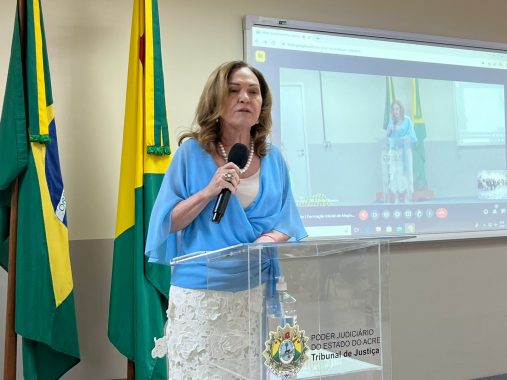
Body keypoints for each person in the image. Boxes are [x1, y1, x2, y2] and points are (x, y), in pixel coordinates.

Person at [145, 61, 307, 379]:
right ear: (216, 102)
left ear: (262, 106)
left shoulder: (274, 159)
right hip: (201, 293)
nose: (244, 97)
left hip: (253, 291)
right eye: (234, 91)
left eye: (253, 91)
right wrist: (208, 192)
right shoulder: (190, 155)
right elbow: (168, 222)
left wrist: (260, 244)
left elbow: (286, 222)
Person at [385, 100, 417, 203]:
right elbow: (388, 136)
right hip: (394, 152)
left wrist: (405, 139)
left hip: (405, 150)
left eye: (397, 109)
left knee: (406, 174)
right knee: (394, 174)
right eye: (394, 109)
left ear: (401, 109)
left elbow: (413, 136)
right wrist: (390, 130)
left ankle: (407, 195)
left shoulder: (407, 120)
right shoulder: (391, 121)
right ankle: (397, 197)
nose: (396, 111)